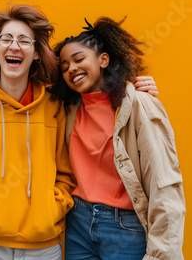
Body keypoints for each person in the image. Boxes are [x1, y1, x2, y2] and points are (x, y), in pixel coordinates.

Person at [54, 17, 185, 259]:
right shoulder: (69, 109)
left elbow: (164, 184)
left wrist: (161, 254)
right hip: (78, 223)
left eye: (79, 59)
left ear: (103, 59)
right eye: (64, 67)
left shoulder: (139, 106)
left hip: (125, 227)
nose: (71, 68)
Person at [0, 2, 76, 260]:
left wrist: (52, 209)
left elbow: (66, 172)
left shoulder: (55, 107)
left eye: (24, 41)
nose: (14, 46)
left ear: (37, 54)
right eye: (6, 38)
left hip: (43, 247)